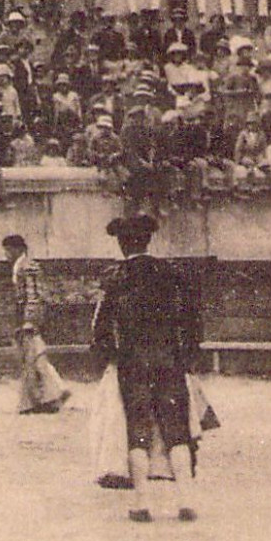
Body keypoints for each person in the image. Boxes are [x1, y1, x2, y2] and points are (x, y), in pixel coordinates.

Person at [91, 214, 203, 522]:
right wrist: (187, 356)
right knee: (176, 430)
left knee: (137, 430)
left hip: (133, 363)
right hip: (169, 360)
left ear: (122, 244)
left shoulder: (115, 277)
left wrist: (109, 358)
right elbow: (193, 319)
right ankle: (186, 500)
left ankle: (141, 504)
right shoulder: (171, 273)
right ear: (147, 241)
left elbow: (100, 328)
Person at [4, 233, 70, 414]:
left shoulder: (27, 267)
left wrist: (29, 320)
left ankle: (43, 398)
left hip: (28, 320)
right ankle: (53, 392)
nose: (7, 254)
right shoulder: (23, 266)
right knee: (35, 357)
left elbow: (34, 296)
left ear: (18, 249)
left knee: (33, 357)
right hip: (25, 318)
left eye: (9, 250)